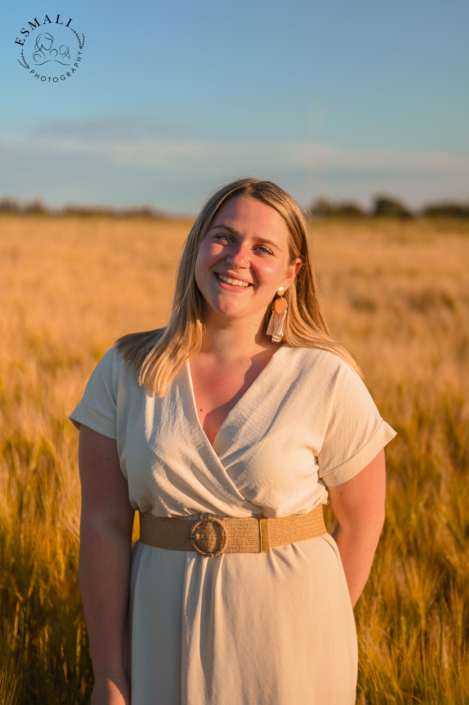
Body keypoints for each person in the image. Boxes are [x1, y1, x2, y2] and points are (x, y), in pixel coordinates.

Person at [69, 177, 396, 705]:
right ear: (198, 245)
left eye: (263, 248)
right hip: (160, 633)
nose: (238, 258)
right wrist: (108, 669)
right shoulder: (124, 371)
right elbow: (103, 524)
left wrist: (319, 625)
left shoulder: (327, 378)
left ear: (291, 273)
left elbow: (363, 523)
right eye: (223, 237)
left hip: (293, 640)